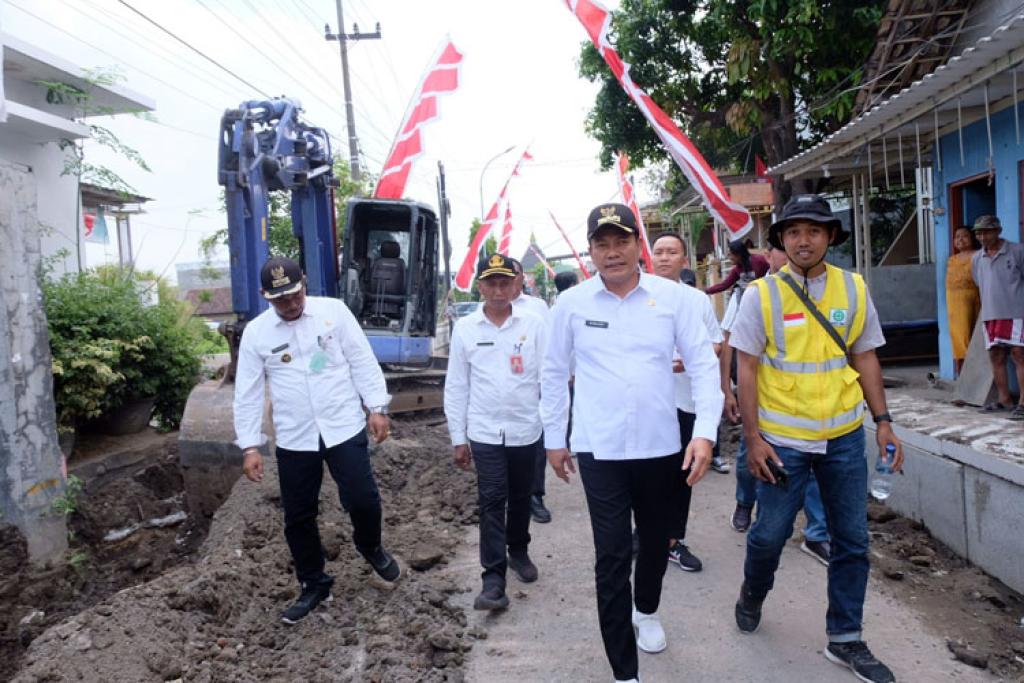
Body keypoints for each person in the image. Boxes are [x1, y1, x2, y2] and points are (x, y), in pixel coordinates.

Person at [541, 203, 723, 683]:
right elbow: (554, 372)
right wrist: (554, 440)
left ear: (637, 246)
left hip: (661, 446)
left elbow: (704, 367)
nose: (612, 252)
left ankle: (647, 609)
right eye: (601, 243)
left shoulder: (674, 299)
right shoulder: (572, 304)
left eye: (620, 241)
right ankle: (625, 672)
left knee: (656, 540)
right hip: (599, 449)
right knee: (612, 553)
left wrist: (704, 432)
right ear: (591, 251)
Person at [730, 195, 903, 683]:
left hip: (845, 436)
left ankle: (845, 638)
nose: (803, 240)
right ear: (782, 240)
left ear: (830, 237)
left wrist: (883, 421)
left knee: (852, 541)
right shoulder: (760, 296)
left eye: (814, 230)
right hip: (782, 439)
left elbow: (865, 356)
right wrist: (753, 437)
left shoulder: (853, 288)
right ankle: (752, 591)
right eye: (793, 232)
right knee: (768, 535)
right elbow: (746, 367)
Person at [233, 257, 399, 626]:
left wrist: (376, 406)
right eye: (281, 300)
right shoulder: (257, 334)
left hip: (343, 425)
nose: (291, 304)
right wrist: (249, 446)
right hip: (295, 438)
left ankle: (370, 545)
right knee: (299, 516)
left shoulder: (334, 313)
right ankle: (314, 583)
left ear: (304, 284)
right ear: (265, 296)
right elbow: (247, 392)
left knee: (363, 498)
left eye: (295, 294)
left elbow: (361, 359)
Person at [445, 253, 546, 611]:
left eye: (506, 282)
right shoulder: (466, 329)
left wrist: (555, 430)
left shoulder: (533, 325)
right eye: (492, 283)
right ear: (481, 286)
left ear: (515, 285)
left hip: (525, 428)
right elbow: (457, 385)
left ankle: (519, 549)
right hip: (484, 431)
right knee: (491, 501)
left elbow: (548, 379)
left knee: (521, 497)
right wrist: (459, 437)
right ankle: (493, 580)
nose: (499, 289)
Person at [724, 242, 832, 565]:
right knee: (749, 460)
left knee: (814, 470)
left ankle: (817, 533)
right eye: (780, 249)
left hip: (812, 408)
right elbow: (730, 342)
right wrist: (726, 391)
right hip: (763, 403)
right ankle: (745, 503)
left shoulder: (820, 291)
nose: (790, 254)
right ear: (768, 256)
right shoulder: (750, 294)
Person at [650, 232, 724, 575]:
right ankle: (646, 534)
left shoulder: (696, 300)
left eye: (671, 252)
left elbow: (716, 345)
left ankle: (671, 541)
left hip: (684, 399)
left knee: (681, 475)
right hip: (646, 402)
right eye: (658, 252)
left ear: (685, 260)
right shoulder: (637, 297)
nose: (664, 258)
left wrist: (689, 358)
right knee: (646, 476)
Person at [508, 258, 555, 523]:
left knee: (537, 442)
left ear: (521, 278)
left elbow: (551, 345)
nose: (509, 280)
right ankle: (507, 496)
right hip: (501, 391)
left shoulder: (537, 307)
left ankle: (534, 495)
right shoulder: (486, 309)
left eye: (513, 275)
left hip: (533, 385)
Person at [970, 215, 1024, 419]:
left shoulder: (1017, 251)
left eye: (985, 231)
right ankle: (1004, 399)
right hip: (991, 313)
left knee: (1019, 354)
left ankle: (1023, 402)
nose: (981, 236)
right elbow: (979, 282)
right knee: (996, 355)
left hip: (1016, 312)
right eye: (978, 232)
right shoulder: (977, 258)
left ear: (997, 231)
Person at [946, 226, 982, 377]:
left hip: (971, 300)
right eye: (957, 237)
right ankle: (965, 376)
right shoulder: (952, 259)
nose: (960, 239)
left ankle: (975, 375)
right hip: (954, 303)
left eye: (964, 236)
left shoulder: (978, 256)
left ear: (973, 238)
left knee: (971, 336)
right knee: (958, 337)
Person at [704, 238, 770, 295]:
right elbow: (724, 285)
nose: (729, 258)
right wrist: (705, 291)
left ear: (738, 254)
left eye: (730, 255)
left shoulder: (759, 260)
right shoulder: (736, 270)